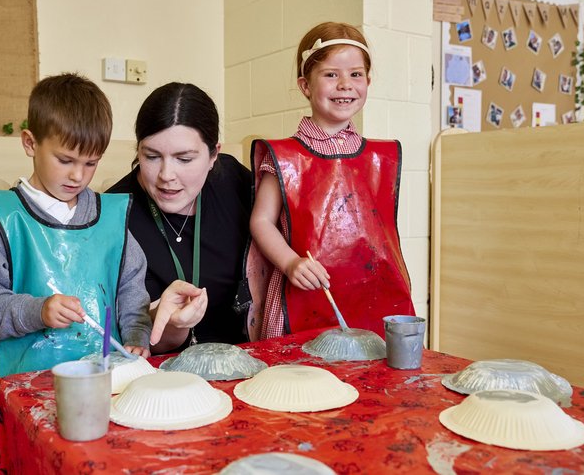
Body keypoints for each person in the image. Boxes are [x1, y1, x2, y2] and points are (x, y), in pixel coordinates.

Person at [0, 73, 151, 394]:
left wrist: (136, 338)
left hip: (104, 384)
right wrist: (38, 311)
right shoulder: (4, 218)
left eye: (91, 163)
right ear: (30, 143)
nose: (78, 175)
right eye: (65, 160)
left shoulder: (111, 218)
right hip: (22, 387)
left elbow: (131, 289)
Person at [247, 22, 414, 340]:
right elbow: (261, 221)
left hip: (370, 299)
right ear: (305, 85)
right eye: (331, 74)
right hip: (304, 293)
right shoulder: (284, 156)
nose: (345, 85)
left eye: (356, 74)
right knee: (300, 371)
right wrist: (291, 263)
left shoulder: (382, 157)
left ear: (368, 82)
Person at [108, 82, 252, 354]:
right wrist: (173, 324)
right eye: (151, 156)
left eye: (184, 159)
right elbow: (135, 338)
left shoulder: (233, 181)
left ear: (214, 155)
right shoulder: (115, 214)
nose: (166, 175)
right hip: (164, 370)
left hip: (248, 357)